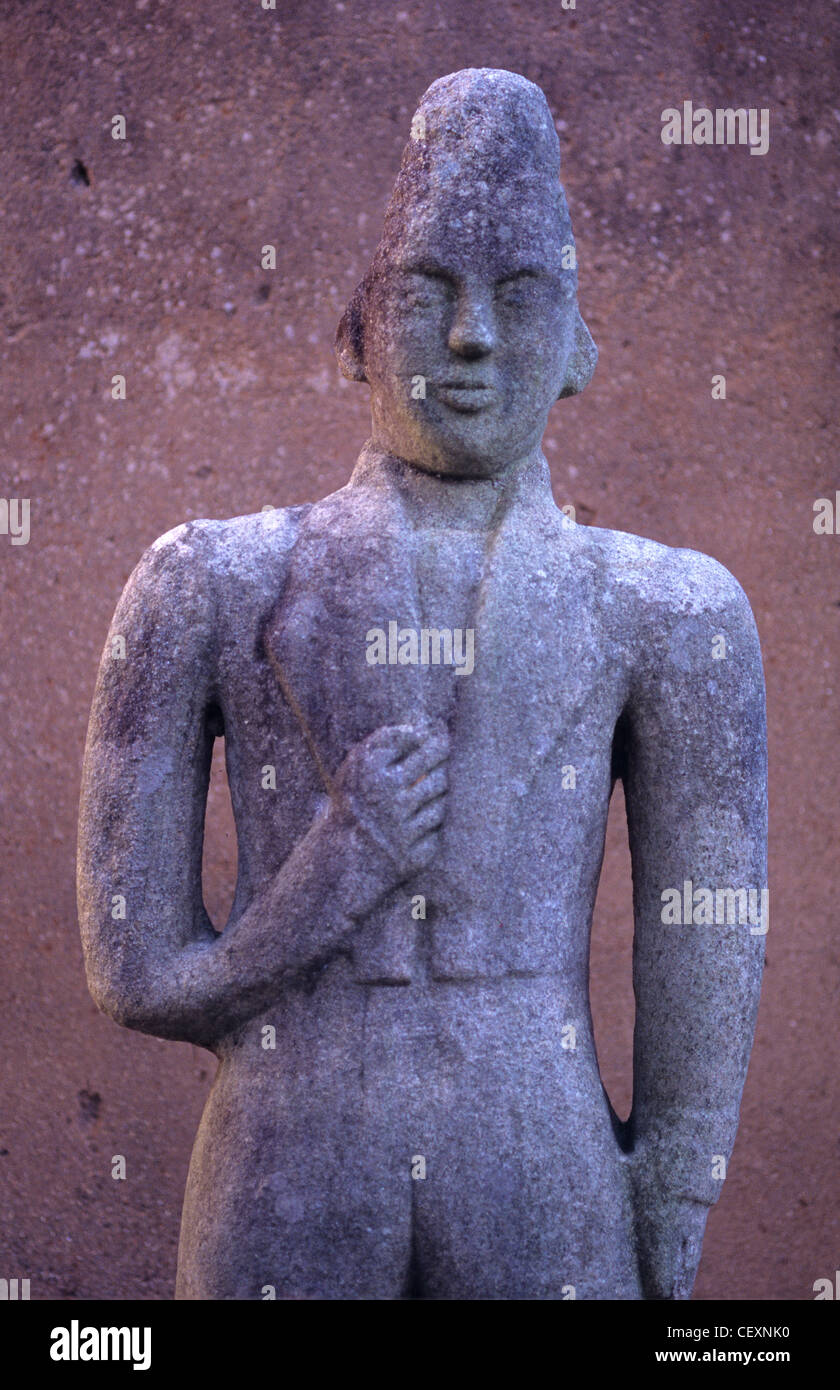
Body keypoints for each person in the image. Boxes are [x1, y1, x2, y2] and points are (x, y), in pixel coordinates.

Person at [78, 68, 766, 1299]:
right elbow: (134, 972)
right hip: (288, 1155)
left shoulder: (674, 611)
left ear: (579, 345)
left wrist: (677, 1175)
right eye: (426, 291)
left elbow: (704, 922)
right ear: (352, 331)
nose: (471, 336)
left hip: (540, 1166)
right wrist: (325, 880)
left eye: (520, 294)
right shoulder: (209, 582)